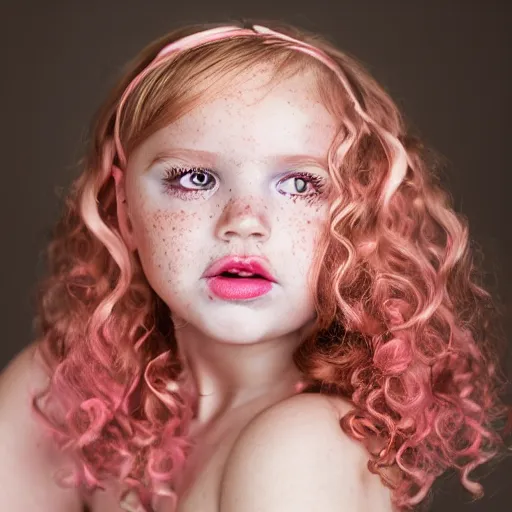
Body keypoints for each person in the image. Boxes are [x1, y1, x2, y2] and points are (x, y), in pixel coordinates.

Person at [0, 19, 509, 512]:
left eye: (300, 185)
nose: (244, 222)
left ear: (359, 220)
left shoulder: (304, 447)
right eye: (195, 178)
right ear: (124, 210)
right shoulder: (62, 394)